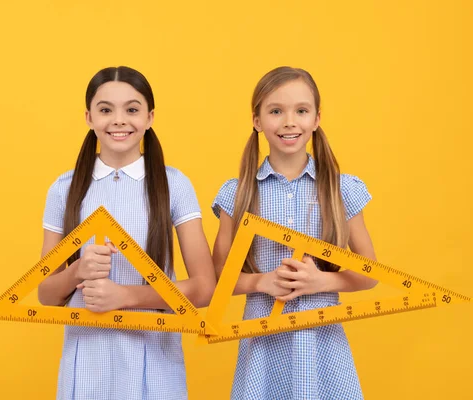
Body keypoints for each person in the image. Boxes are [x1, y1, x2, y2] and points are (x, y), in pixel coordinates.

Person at [37, 66, 216, 400]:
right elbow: (46, 294)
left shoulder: (174, 185)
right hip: (84, 369)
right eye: (106, 110)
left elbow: (204, 289)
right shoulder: (63, 189)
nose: (119, 120)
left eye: (132, 109)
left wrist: (127, 297)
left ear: (149, 117)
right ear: (89, 117)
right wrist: (77, 271)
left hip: (155, 368)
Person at [211, 66, 378, 399]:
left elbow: (370, 272)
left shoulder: (340, 190)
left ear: (316, 118)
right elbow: (217, 275)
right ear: (257, 121)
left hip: (322, 342)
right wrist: (260, 282)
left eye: (301, 111)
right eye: (276, 111)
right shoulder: (237, 194)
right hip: (262, 342)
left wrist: (324, 281)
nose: (289, 122)